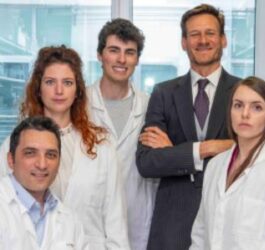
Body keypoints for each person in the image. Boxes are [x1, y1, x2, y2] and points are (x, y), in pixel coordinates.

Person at [0, 45, 130, 249]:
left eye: (67, 82)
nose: (59, 91)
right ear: (38, 88)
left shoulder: (101, 144)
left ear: (78, 90)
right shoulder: (14, 144)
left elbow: (116, 222)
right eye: (50, 82)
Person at [136, 4, 240, 250]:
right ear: (184, 42)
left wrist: (176, 153)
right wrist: (208, 148)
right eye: (194, 34)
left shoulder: (242, 92)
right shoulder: (163, 93)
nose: (202, 40)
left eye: (210, 33)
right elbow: (147, 162)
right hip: (174, 224)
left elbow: (251, 154)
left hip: (228, 220)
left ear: (223, 39)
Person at [190, 76, 265, 250]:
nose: (245, 114)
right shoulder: (215, 166)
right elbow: (200, 235)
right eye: (238, 105)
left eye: (257, 107)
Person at [87, 18, 158, 250]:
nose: (121, 59)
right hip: (90, 222)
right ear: (100, 55)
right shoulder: (80, 104)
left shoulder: (151, 106)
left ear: (137, 59)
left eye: (130, 52)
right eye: (114, 50)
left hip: (137, 221)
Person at [0, 116, 88, 250]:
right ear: (11, 160)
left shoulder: (70, 221)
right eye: (30, 153)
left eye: (51, 155)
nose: (42, 164)